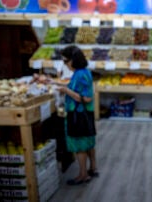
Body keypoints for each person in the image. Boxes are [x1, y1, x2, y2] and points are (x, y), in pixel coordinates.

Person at [57, 45, 98, 185]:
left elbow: (87, 98)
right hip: (83, 113)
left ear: (73, 60)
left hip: (79, 114)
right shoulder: (82, 72)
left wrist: (66, 91)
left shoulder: (80, 74)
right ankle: (91, 168)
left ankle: (83, 175)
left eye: (65, 61)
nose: (65, 64)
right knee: (87, 142)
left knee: (79, 145)